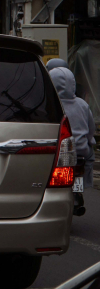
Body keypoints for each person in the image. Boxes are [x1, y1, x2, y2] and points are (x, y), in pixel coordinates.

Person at [49, 63, 95, 216]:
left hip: (59, 150)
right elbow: (91, 130)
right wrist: (89, 144)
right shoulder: (82, 104)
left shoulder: (51, 104)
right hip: (81, 150)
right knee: (89, 157)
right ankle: (79, 190)